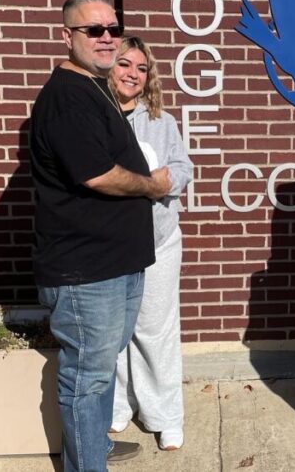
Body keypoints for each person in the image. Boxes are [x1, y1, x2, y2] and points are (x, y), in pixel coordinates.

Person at [29, 0, 172, 471]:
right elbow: (98, 174)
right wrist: (152, 185)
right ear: (67, 35)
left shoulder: (94, 88)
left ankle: (95, 448)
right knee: (86, 379)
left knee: (99, 368)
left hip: (113, 265)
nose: (107, 37)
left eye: (113, 28)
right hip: (86, 274)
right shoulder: (68, 98)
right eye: (94, 30)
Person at [108, 35, 193, 451]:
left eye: (141, 69)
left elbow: (182, 169)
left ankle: (165, 415)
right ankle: (121, 405)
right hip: (108, 243)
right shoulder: (96, 115)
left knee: (155, 328)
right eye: (125, 64)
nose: (133, 75)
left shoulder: (161, 120)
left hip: (158, 239)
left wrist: (157, 184)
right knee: (116, 329)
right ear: (109, 65)